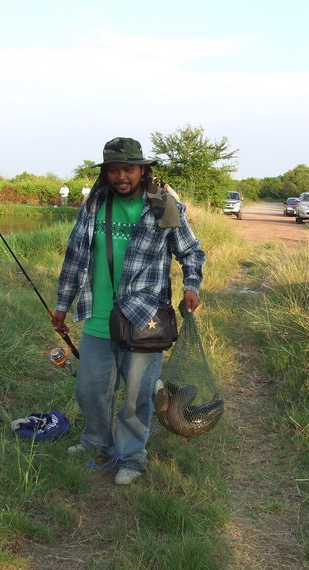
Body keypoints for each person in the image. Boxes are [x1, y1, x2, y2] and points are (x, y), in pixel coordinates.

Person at [53, 138, 205, 485]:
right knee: (91, 388)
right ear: (105, 173)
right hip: (97, 314)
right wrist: (63, 305)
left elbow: (191, 253)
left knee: (137, 394)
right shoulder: (93, 205)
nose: (121, 176)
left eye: (128, 169)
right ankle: (96, 441)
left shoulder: (164, 206)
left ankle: (132, 456)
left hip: (145, 318)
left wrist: (192, 286)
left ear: (142, 171)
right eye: (114, 169)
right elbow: (75, 258)